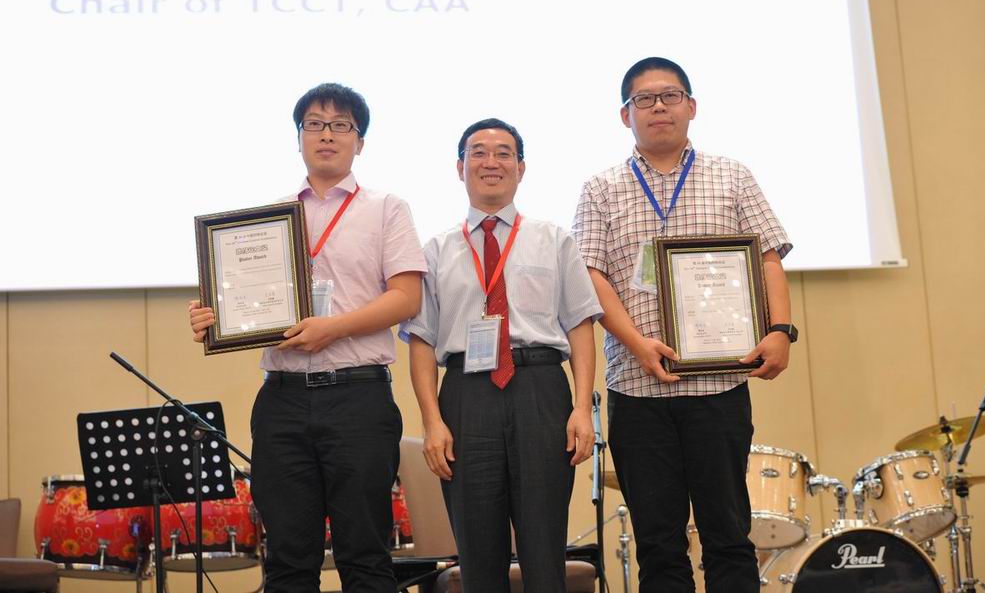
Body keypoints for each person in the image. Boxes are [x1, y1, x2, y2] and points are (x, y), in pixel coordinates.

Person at [188, 83, 426, 593]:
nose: (326, 135)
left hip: (358, 398)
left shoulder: (386, 208)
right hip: (283, 402)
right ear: (298, 138)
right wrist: (213, 317)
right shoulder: (264, 220)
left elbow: (406, 298)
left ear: (360, 141)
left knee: (365, 558)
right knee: (288, 562)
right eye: (314, 124)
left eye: (340, 125)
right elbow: (243, 305)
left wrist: (332, 328)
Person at [572, 57, 796, 592]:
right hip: (637, 391)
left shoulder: (732, 175)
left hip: (719, 387)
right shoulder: (601, 188)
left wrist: (780, 331)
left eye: (670, 96)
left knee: (728, 536)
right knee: (658, 544)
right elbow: (590, 276)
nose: (658, 107)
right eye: (644, 99)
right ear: (625, 115)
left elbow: (768, 258)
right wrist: (637, 343)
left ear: (691, 106)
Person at [402, 119, 603, 593]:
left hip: (540, 390)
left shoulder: (555, 239)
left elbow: (580, 326)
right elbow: (422, 342)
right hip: (466, 395)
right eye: (478, 152)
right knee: (478, 554)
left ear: (521, 167)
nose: (490, 162)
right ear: (460, 168)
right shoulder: (435, 250)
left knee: (544, 549)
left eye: (503, 153)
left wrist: (581, 408)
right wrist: (432, 422)